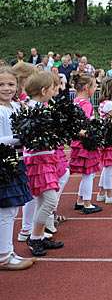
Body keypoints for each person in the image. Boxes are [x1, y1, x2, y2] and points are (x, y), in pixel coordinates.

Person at [22, 71, 65, 256]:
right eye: (53, 87)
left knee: (42, 200)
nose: (56, 90)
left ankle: (38, 236)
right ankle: (34, 236)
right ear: (44, 90)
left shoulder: (42, 106)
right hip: (37, 159)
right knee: (49, 200)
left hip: (46, 157)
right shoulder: (32, 108)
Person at [0, 66, 35, 270]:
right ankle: (4, 256)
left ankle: (8, 250)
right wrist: (20, 138)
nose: (6, 88)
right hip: (4, 163)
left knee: (11, 210)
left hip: (14, 160)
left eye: (11, 84)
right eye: (1, 84)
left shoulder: (14, 106)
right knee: (7, 209)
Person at [69, 73, 104, 215]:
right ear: (85, 87)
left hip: (78, 142)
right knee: (89, 173)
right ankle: (87, 203)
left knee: (86, 173)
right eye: (94, 86)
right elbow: (85, 125)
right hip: (86, 143)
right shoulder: (86, 104)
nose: (96, 89)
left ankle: (80, 200)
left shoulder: (75, 101)